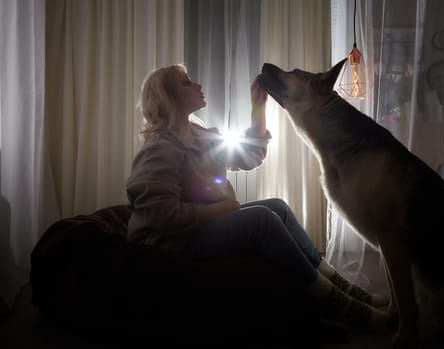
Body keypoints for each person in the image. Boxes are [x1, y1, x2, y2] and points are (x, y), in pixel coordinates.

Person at [126, 63, 391, 332]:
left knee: (278, 207)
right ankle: (338, 305)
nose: (198, 85)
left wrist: (258, 106)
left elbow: (248, 157)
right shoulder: (160, 148)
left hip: (199, 228)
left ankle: (342, 287)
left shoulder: (198, 135)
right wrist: (222, 209)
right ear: (169, 99)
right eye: (186, 82)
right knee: (262, 219)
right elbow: (161, 216)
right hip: (175, 243)